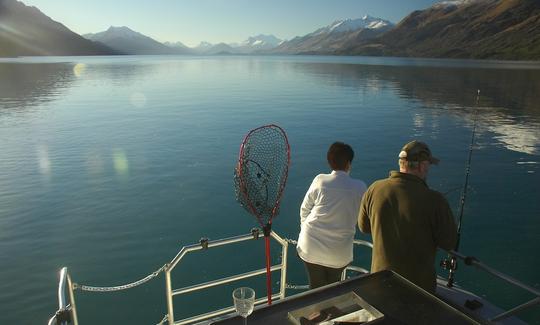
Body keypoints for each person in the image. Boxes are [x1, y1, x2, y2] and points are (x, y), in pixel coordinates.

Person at [358, 140, 458, 293]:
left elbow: (364, 227)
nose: (428, 169)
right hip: (419, 288)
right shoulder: (435, 200)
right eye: (428, 165)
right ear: (422, 165)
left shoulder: (375, 188)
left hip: (379, 281)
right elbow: (449, 243)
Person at [297, 142, 367, 289]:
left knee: (315, 287)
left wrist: (304, 229)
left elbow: (304, 209)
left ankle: (317, 310)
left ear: (330, 162)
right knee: (332, 289)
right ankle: (328, 310)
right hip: (340, 251)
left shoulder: (320, 180)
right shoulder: (360, 187)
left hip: (310, 245)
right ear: (349, 163)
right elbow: (363, 218)